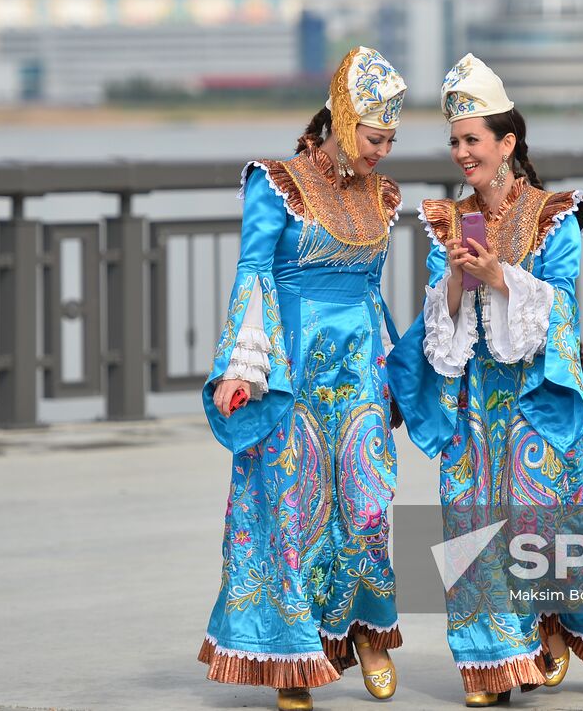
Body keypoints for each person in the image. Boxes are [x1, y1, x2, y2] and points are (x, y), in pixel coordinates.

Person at [389, 54, 583, 707]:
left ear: (507, 143)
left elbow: (561, 308)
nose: (462, 153)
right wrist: (458, 280)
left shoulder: (556, 216)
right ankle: (490, 661)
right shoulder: (446, 222)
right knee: (468, 523)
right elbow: (441, 325)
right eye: (454, 141)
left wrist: (501, 279)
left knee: (540, 523)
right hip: (471, 404)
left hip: (532, 399)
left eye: (473, 141)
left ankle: (552, 624)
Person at [197, 47, 407, 711]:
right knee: (295, 506)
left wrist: (397, 372)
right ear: (345, 122)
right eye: (376, 137)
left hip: (360, 372)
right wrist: (242, 369)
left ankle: (369, 633)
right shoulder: (275, 180)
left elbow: (375, 292)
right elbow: (253, 272)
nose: (382, 151)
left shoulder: (384, 195)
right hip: (293, 370)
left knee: (370, 505)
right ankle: (291, 656)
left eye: (392, 140)